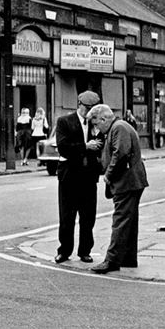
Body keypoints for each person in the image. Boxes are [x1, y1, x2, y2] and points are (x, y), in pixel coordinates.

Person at [87, 104, 149, 273]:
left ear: (103, 118)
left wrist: (108, 175)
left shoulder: (119, 127)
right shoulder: (117, 127)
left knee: (120, 221)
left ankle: (112, 260)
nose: (96, 128)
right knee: (129, 220)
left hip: (126, 181)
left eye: (96, 124)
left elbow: (120, 154)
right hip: (131, 181)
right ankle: (128, 258)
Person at [52, 90, 104, 264]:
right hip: (69, 176)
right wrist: (85, 146)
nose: (89, 113)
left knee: (88, 217)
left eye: (93, 109)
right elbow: (63, 147)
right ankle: (64, 251)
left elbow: (102, 147)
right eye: (87, 108)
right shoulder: (64, 122)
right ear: (79, 105)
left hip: (88, 177)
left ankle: (85, 251)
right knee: (67, 216)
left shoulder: (96, 125)